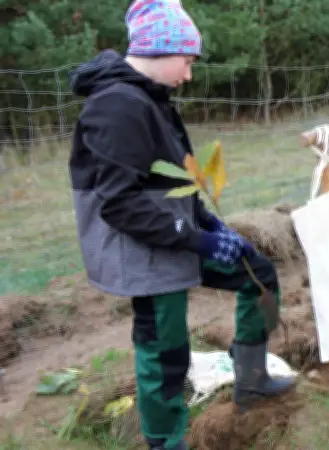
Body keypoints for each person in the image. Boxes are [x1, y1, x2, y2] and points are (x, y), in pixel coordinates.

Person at [67, 1, 296, 449]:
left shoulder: (151, 98)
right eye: (187, 62)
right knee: (164, 347)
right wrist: (200, 241)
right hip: (144, 249)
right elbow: (119, 204)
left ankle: (251, 378)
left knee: (258, 275)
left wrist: (213, 226)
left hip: (176, 233)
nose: (189, 74)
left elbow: (174, 179)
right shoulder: (117, 106)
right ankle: (164, 440)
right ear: (160, 49)